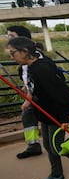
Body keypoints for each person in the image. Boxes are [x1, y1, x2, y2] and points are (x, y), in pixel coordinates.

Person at [8, 37, 69, 179]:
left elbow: (58, 93)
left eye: (13, 53)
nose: (11, 57)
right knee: (48, 146)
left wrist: (63, 118)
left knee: (57, 145)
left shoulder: (41, 69)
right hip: (44, 112)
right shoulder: (31, 67)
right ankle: (57, 175)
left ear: (24, 51)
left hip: (55, 113)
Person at [7, 25, 43, 159]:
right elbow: (28, 78)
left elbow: (37, 78)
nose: (8, 39)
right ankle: (33, 145)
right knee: (28, 116)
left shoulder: (34, 57)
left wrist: (28, 99)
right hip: (35, 95)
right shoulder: (24, 58)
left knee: (58, 115)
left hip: (43, 96)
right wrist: (26, 88)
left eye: (11, 36)